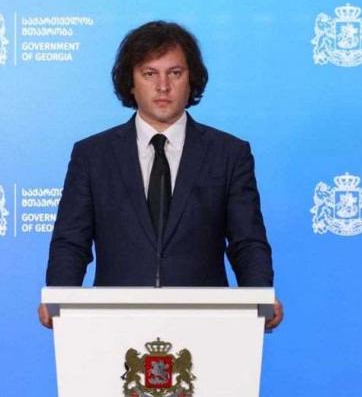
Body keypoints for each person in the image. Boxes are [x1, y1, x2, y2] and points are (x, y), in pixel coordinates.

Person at [38, 21, 283, 330]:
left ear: (191, 79)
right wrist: (59, 298)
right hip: (114, 325)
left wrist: (260, 298)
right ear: (130, 81)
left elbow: (247, 242)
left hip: (206, 325)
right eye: (150, 74)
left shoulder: (229, 153)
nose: (163, 86)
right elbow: (71, 242)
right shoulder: (92, 155)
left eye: (175, 73)